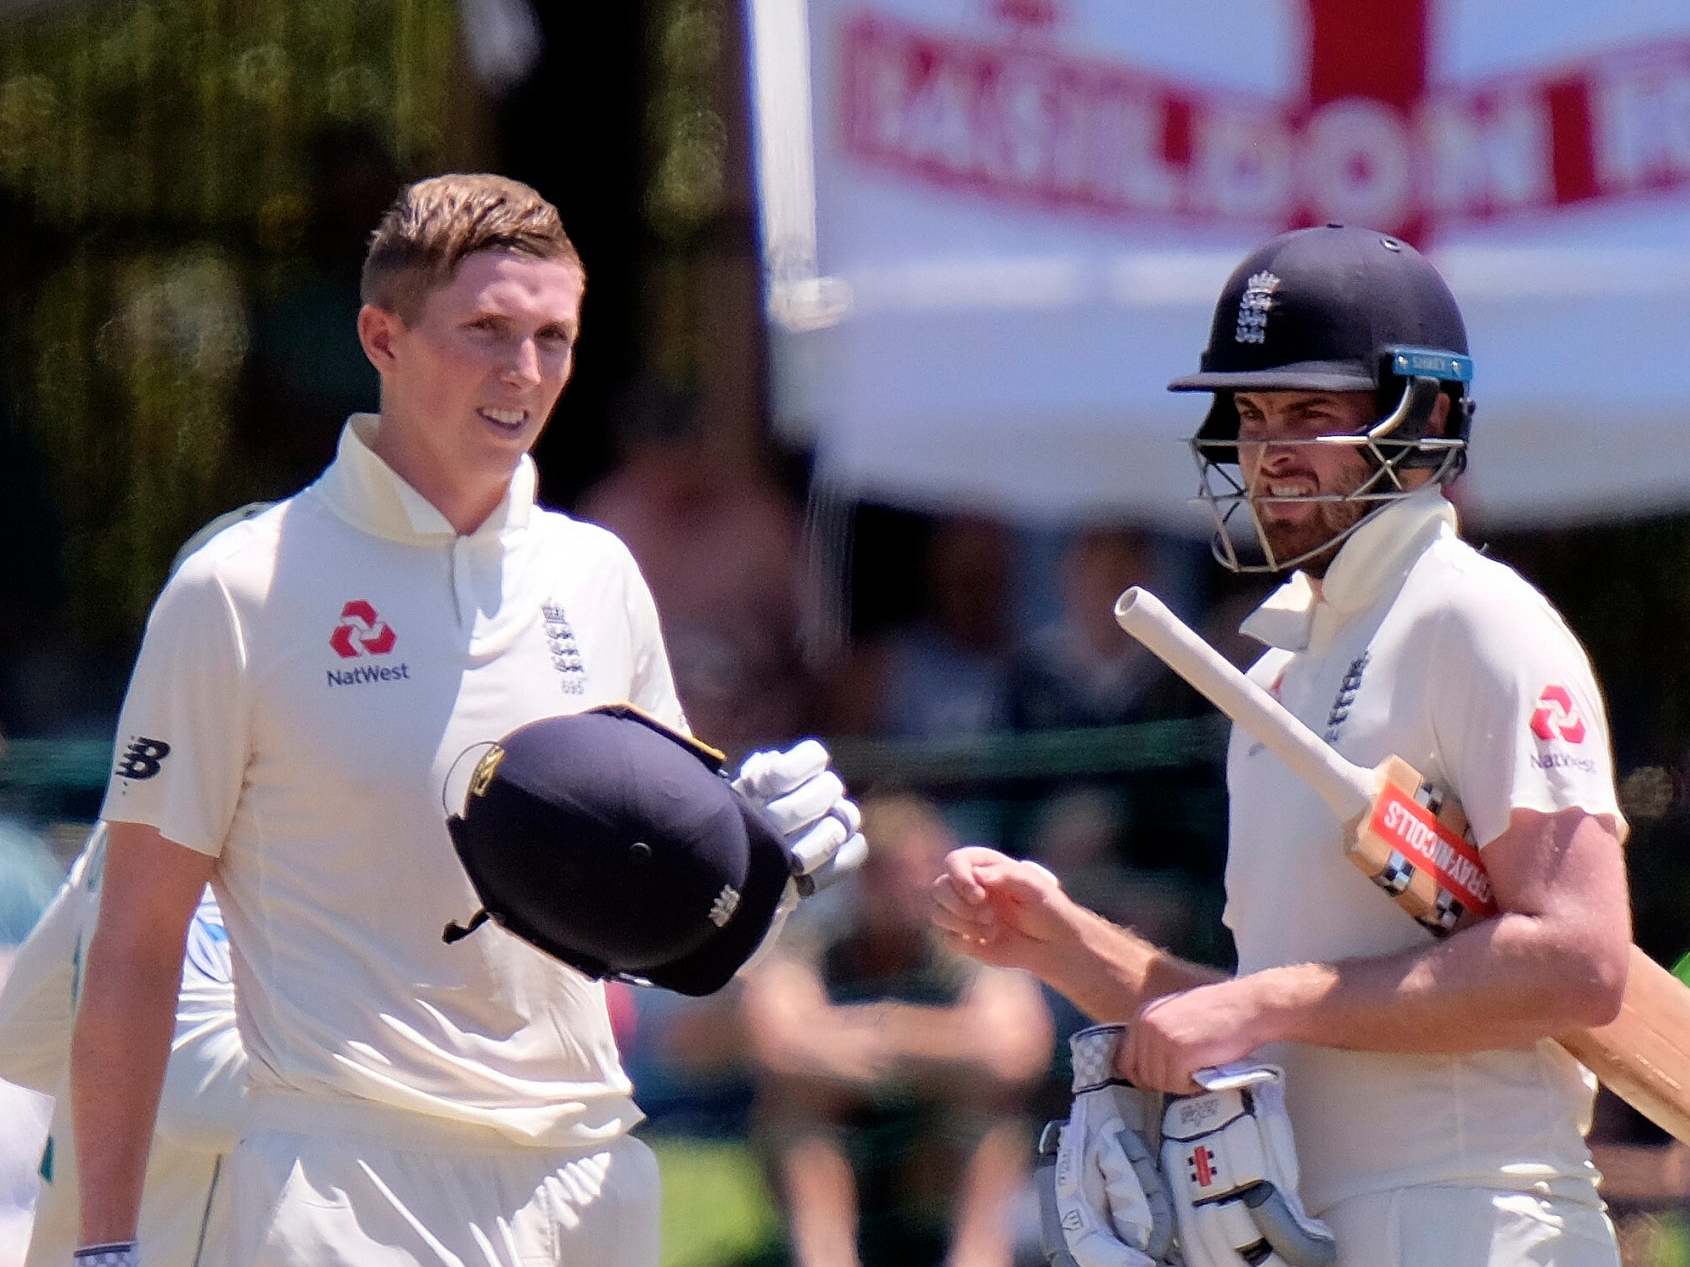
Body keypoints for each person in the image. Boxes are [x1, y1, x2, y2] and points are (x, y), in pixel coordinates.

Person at [71, 173, 860, 1267]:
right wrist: (104, 1246)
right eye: (486, 330)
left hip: (588, 1176)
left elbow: (652, 918)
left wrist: (759, 859)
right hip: (346, 1182)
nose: (523, 373)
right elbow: (134, 940)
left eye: (553, 336)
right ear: (380, 336)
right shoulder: (238, 590)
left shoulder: (597, 573)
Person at [932, 225, 1632, 1266]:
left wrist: (1271, 997)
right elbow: (1264, 1011)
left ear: (1427, 414)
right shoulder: (1274, 675)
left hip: (1474, 1217)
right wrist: (1066, 942)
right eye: (1252, 417)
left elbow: (1580, 962)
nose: (1270, 455)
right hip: (1302, 1221)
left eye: (1310, 413)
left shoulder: (1477, 620)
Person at [740, 794, 1051, 1267]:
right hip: (843, 1129)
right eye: (891, 871)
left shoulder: (970, 940)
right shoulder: (815, 936)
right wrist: (943, 1047)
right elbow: (777, 1047)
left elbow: (1016, 1053)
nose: (912, 886)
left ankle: (978, 1259)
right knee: (793, 1114)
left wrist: (885, 1027)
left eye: (925, 869)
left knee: (996, 1117)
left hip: (937, 1138)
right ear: (863, 876)